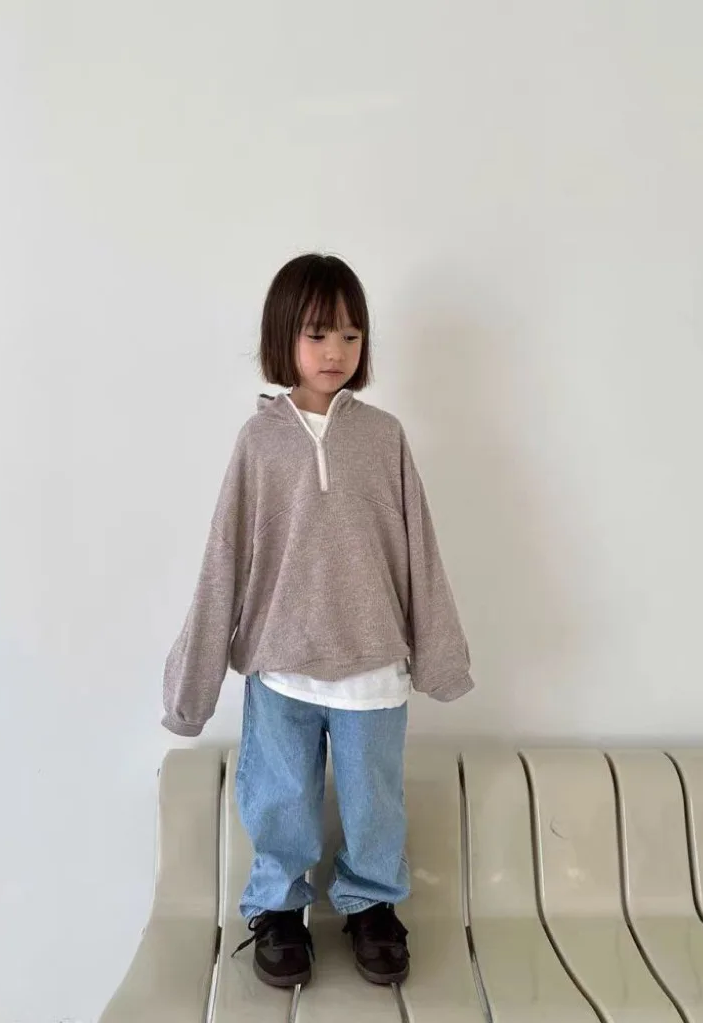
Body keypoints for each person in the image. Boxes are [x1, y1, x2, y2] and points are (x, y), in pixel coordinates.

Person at [161, 253, 473, 988]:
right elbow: (224, 559)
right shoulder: (259, 441)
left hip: (374, 665)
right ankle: (278, 910)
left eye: (351, 336)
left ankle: (371, 905)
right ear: (283, 338)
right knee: (281, 801)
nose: (336, 351)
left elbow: (419, 553)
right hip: (281, 666)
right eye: (317, 333)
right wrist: (190, 689)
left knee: (374, 804)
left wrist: (440, 657)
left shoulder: (385, 437)